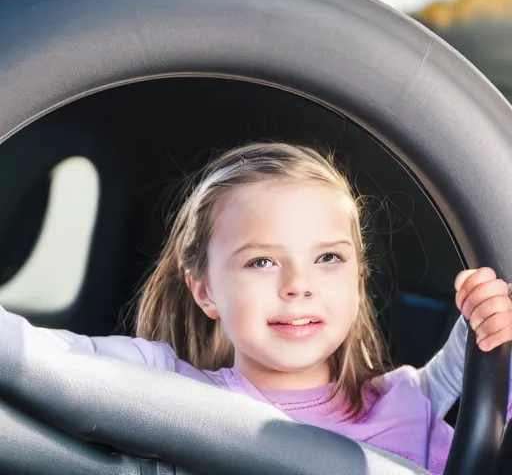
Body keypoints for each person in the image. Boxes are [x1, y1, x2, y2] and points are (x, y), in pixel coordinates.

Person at [1, 142, 511, 474]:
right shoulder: (165, 390)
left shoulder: (409, 402)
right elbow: (41, 360)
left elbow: (493, 414)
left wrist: (492, 322)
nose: (298, 285)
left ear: (359, 277)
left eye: (328, 257)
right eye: (262, 261)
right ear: (204, 291)